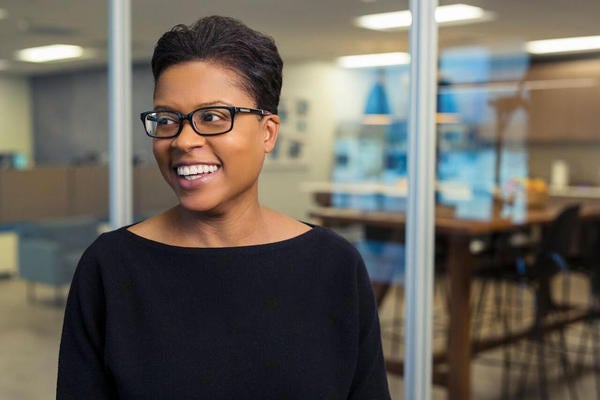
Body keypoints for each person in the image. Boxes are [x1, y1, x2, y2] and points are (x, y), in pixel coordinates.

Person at [57, 15, 390, 399]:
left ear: (268, 133)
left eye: (212, 117)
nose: (183, 140)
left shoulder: (334, 266)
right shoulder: (109, 268)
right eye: (167, 119)